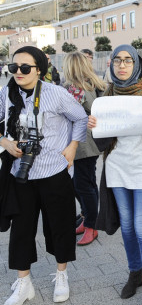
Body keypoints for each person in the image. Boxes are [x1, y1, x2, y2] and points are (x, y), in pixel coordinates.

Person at [0, 46, 88, 305]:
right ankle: (24, 283)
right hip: (21, 174)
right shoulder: (6, 93)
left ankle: (61, 276)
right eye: (13, 67)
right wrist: (5, 142)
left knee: (59, 226)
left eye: (25, 68)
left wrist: (72, 148)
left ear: (39, 69)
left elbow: (81, 119)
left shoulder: (56, 94)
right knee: (21, 231)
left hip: (53, 171)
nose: (18, 72)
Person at [88, 44, 142, 305]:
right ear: (111, 64)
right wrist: (93, 128)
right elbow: (100, 142)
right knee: (126, 226)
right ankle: (135, 273)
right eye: (117, 61)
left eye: (127, 60)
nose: (122, 65)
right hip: (117, 167)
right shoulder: (106, 95)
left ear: (136, 64)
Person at [62, 51, 106, 246]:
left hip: (85, 144)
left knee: (83, 185)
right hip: (76, 143)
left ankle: (91, 226)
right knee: (80, 184)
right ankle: (88, 218)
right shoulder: (72, 86)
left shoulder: (85, 86)